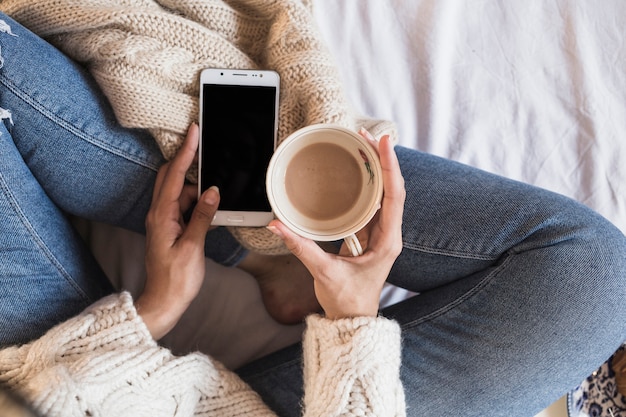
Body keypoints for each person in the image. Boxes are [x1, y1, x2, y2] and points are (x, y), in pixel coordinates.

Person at [1, 11, 625, 417]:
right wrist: (351, 324)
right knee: (596, 277)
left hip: (66, 376)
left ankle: (251, 234)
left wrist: (159, 307)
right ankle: (258, 238)